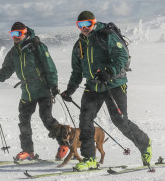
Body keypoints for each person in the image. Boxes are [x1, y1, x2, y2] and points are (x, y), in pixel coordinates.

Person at [61, 11, 152, 171]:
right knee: (85, 121)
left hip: (114, 84)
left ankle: (145, 144)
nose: (84, 28)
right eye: (80, 25)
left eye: (87, 24)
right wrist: (69, 90)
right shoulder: (79, 45)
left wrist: (109, 71)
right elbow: (77, 72)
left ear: (94, 22)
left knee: (119, 120)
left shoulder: (106, 36)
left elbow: (121, 56)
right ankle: (89, 158)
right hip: (93, 86)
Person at [0, 21, 68, 160]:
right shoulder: (13, 53)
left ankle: (64, 144)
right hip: (27, 91)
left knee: (46, 118)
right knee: (23, 120)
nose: (15, 37)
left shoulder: (37, 47)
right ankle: (28, 151)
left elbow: (50, 67)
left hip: (43, 89)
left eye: (18, 34)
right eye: (13, 34)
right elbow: (6, 72)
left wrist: (53, 86)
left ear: (25, 33)